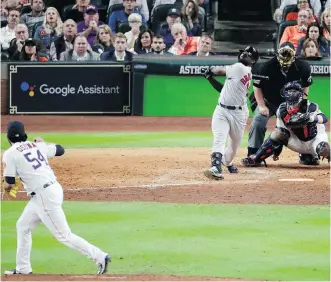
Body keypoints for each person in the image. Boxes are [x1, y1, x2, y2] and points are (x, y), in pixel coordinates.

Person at [2, 121, 110, 275]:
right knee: (23, 226)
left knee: (64, 235)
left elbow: (10, 183)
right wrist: (44, 143)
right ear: (24, 134)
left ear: (8, 136)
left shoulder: (10, 153)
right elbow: (60, 150)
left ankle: (100, 256)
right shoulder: (37, 145)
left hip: (43, 196)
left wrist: (5, 186)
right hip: (52, 190)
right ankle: (23, 268)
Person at [247, 42, 314, 165]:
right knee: (258, 121)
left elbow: (305, 86)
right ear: (277, 54)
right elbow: (257, 87)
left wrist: (302, 102)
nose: (286, 57)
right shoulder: (265, 66)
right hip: (269, 101)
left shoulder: (303, 66)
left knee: (303, 121)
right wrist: (261, 105)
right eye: (283, 53)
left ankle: (307, 154)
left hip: (292, 103)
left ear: (295, 55)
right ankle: (253, 153)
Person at [203, 46, 259, 180]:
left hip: (239, 114)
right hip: (221, 110)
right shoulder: (239, 71)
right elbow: (224, 90)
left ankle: (226, 162)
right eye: (244, 53)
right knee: (219, 137)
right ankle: (216, 166)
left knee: (233, 148)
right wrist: (210, 78)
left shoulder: (239, 68)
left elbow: (218, 70)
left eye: (248, 55)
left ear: (253, 61)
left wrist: (209, 70)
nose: (244, 55)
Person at [241, 82, 330, 167]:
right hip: (296, 142)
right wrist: (277, 152)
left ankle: (313, 156)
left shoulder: (310, 106)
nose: (291, 93)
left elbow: (323, 118)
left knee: (323, 149)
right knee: (279, 133)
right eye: (289, 91)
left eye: (294, 91)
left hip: (314, 140)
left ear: (300, 93)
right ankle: (256, 159)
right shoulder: (282, 109)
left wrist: (311, 118)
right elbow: (279, 132)